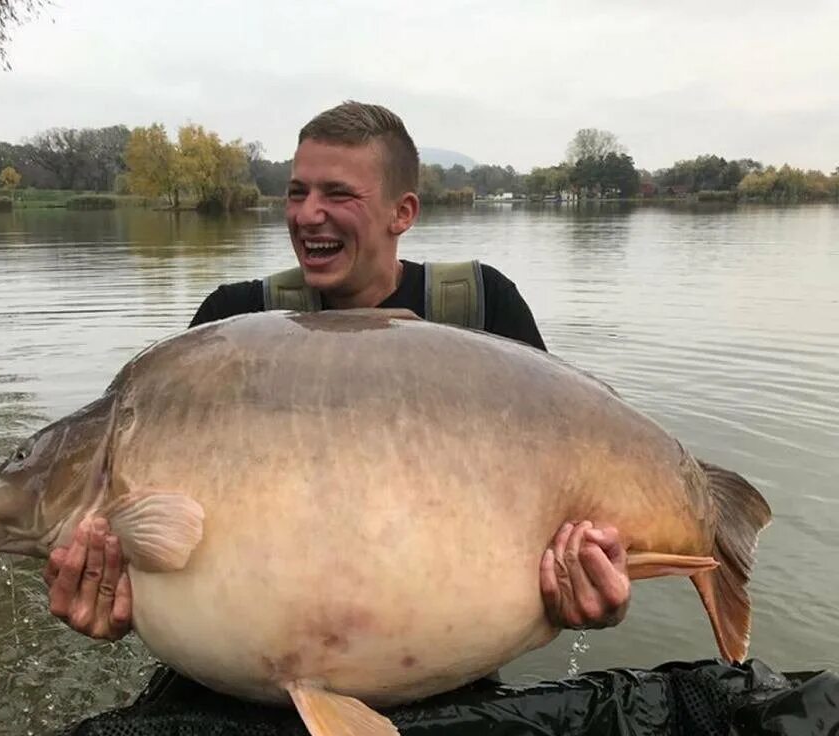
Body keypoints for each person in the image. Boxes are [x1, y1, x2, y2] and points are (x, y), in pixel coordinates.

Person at [43, 101, 631, 650]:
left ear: (402, 212)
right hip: (252, 679)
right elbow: (163, 552)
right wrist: (110, 596)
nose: (307, 214)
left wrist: (602, 579)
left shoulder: (482, 307)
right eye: (296, 192)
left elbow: (573, 494)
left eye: (337, 193)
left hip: (445, 666)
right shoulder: (228, 324)